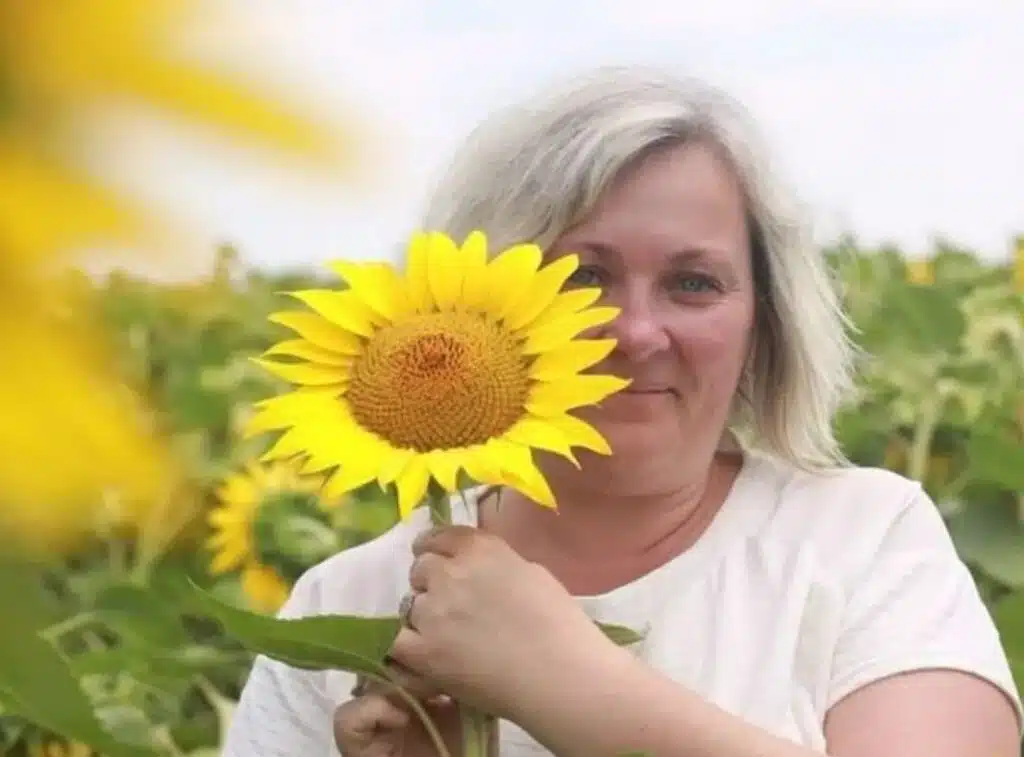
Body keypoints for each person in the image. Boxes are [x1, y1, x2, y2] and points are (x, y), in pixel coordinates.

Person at [221, 65, 1023, 757]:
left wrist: (568, 684)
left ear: (764, 323)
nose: (636, 333)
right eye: (582, 278)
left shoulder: (859, 542)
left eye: (693, 283)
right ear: (472, 309)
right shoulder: (348, 602)